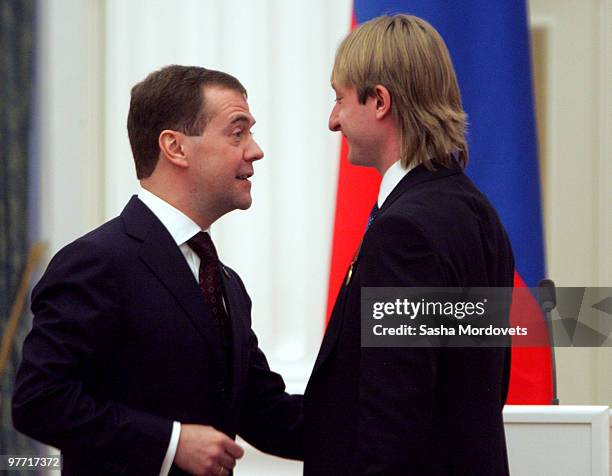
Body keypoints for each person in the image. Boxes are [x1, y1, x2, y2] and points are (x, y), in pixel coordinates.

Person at [13, 65, 302, 476]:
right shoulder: (96, 262)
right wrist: (170, 442)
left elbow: (270, 416)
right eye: (238, 133)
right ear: (175, 147)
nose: (255, 150)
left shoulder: (227, 284)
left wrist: (400, 414)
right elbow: (39, 401)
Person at [304, 15, 514, 475]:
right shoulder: (479, 215)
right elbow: (483, 389)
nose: (333, 120)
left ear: (379, 100)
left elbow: (393, 419)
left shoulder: (406, 233)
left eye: (339, 98)